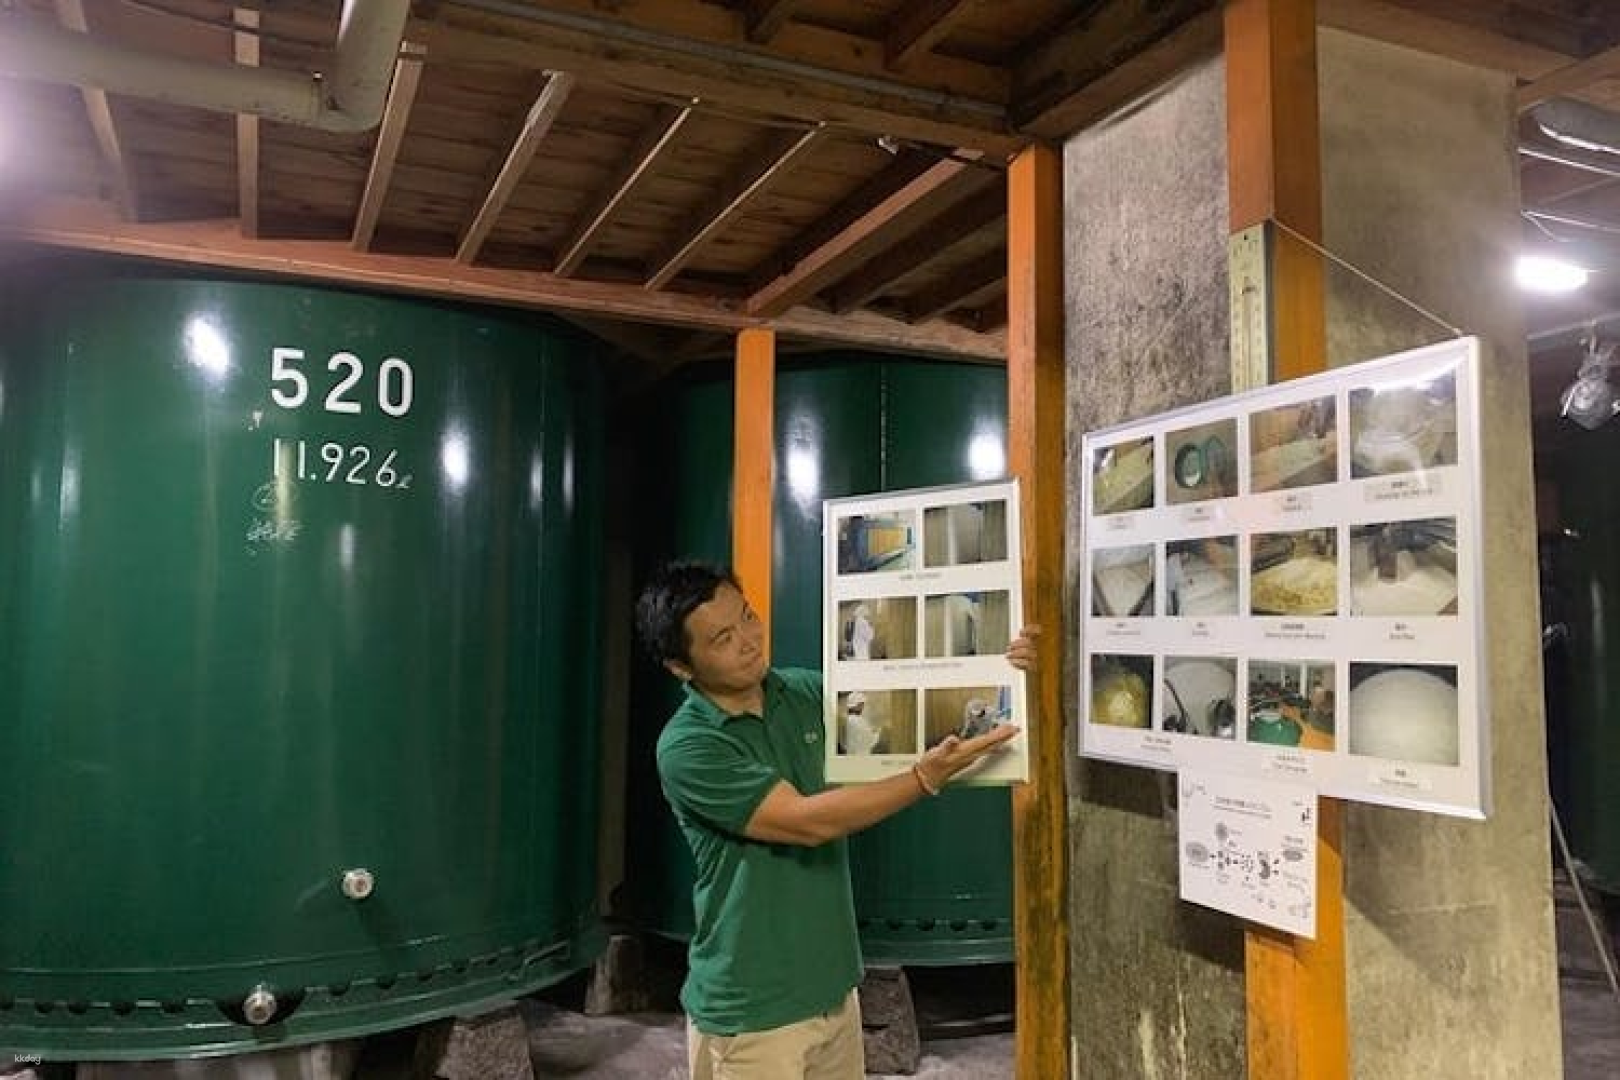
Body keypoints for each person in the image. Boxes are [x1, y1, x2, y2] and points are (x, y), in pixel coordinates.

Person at [634, 561, 1036, 1080]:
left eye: (748, 616)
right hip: (753, 1012)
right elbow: (804, 822)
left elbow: (918, 704)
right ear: (679, 666)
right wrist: (923, 779)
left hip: (834, 991)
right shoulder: (689, 745)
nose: (750, 641)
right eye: (722, 638)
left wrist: (1004, 665)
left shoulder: (801, 694)